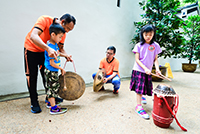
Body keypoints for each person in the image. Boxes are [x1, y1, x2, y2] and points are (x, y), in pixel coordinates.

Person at [24, 13, 76, 113]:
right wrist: (48, 49)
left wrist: (66, 55)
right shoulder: (44, 19)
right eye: (67, 28)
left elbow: (60, 48)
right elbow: (33, 36)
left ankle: (49, 99)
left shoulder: (62, 33)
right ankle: (34, 102)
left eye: (70, 30)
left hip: (46, 53)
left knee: (46, 76)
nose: (67, 32)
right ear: (62, 22)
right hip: (31, 49)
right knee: (32, 76)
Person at [130, 24, 162, 119]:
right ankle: (138, 107)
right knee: (139, 88)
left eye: (150, 34)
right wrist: (145, 68)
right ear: (142, 34)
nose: (148, 37)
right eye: (146, 34)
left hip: (147, 70)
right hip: (139, 69)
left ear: (153, 35)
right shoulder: (138, 45)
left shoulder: (155, 45)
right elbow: (137, 60)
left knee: (145, 85)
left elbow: (155, 59)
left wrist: (157, 69)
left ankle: (142, 97)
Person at [44, 22, 68, 114]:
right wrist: (61, 69)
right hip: (51, 70)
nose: (61, 39)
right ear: (53, 34)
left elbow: (58, 53)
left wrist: (65, 55)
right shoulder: (50, 47)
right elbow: (52, 62)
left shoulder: (54, 44)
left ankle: (51, 103)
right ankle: (53, 108)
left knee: (54, 87)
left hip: (53, 70)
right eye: (60, 37)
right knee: (52, 88)